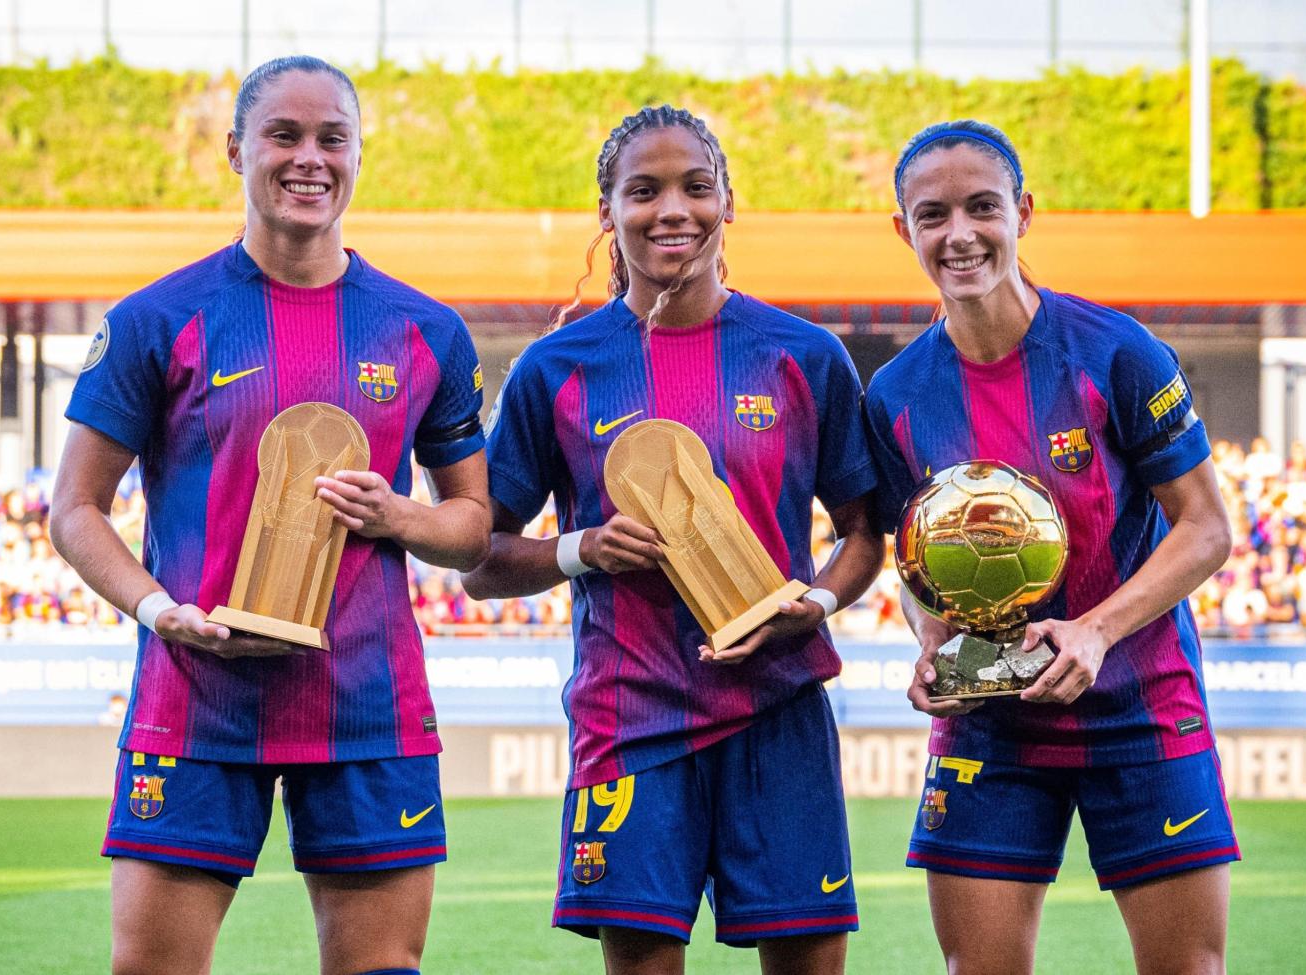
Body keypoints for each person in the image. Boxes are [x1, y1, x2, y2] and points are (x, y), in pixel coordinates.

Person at [50, 55, 490, 975]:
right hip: (196, 696)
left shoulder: (425, 330)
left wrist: (400, 515)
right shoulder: (155, 319)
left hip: (366, 703)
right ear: (235, 150)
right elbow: (77, 508)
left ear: (359, 153)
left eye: (333, 137)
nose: (309, 158)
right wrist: (160, 610)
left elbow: (471, 525)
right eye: (283, 135)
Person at [463, 105, 883, 975]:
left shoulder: (804, 355)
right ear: (608, 211)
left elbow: (862, 535)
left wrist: (819, 600)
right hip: (631, 718)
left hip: (780, 710)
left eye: (696, 187)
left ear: (729, 201)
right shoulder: (557, 368)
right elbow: (482, 560)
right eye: (643, 191)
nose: (672, 211)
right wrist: (581, 549)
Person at [862, 120, 1236, 975]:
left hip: (1140, 708)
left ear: (1023, 212)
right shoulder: (894, 395)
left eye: (982, 207)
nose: (959, 233)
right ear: (904, 230)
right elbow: (911, 556)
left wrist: (1096, 630)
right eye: (933, 214)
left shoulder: (1117, 352)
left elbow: (1208, 528)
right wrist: (931, 642)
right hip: (989, 723)